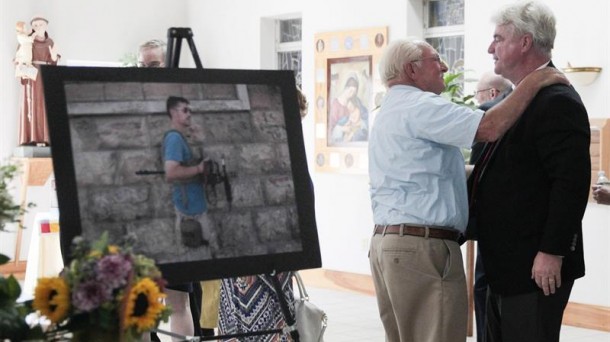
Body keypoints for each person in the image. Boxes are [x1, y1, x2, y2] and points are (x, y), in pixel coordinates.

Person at [368, 38, 568, 342]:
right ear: (411, 69)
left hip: (390, 245)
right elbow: (489, 127)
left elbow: (427, 173)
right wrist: (535, 80)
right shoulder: (420, 105)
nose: (445, 67)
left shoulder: (390, 110)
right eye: (436, 59)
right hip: (421, 250)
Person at [468, 2, 591, 341]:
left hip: (534, 268)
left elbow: (570, 183)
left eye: (498, 38)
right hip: (503, 265)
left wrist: (552, 252)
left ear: (524, 42)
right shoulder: (517, 100)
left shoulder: (557, 100)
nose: (490, 48)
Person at [217, 87, 308, 342]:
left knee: (262, 325)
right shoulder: (266, 152)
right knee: (263, 326)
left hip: (260, 259)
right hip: (260, 258)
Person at [468, 72, 512, 342]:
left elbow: (477, 175)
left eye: (478, 94)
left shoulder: (488, 115)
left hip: (493, 223)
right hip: (522, 229)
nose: (477, 100)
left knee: (485, 287)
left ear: (492, 94)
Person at [18, 16, 60, 146]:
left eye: (41, 24)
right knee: (30, 105)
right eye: (35, 25)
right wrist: (22, 66)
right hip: (31, 76)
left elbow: (54, 61)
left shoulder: (50, 42)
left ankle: (46, 138)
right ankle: (30, 137)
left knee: (45, 105)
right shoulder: (26, 42)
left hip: (46, 75)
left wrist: (54, 57)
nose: (38, 27)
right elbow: (19, 58)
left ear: (46, 26)